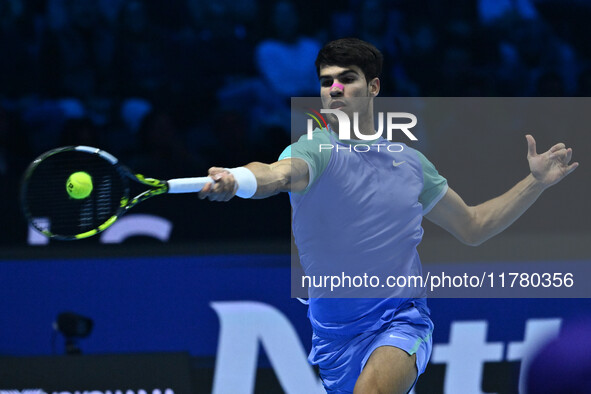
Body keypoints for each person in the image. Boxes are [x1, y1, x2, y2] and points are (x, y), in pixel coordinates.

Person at [198, 38, 578, 393]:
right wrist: (241, 179)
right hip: (334, 339)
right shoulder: (313, 150)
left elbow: (473, 226)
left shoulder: (411, 164)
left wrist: (536, 182)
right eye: (326, 81)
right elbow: (276, 174)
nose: (334, 89)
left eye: (347, 79)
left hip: (402, 318)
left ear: (374, 88)